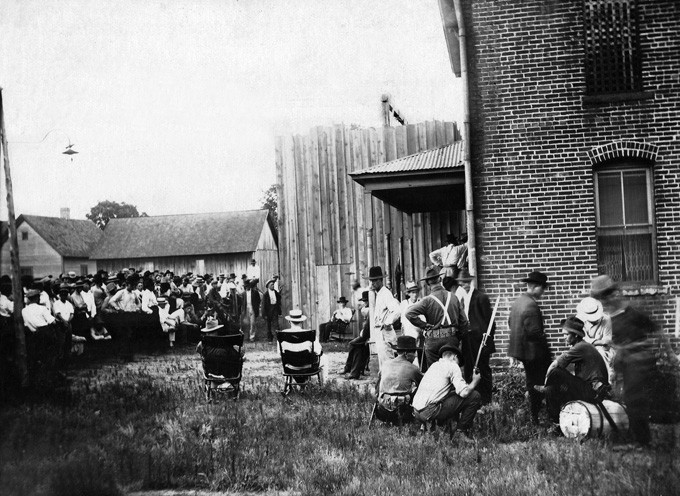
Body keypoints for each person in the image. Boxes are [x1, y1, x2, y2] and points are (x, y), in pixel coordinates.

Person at [590, 275, 657, 447]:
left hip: (638, 361)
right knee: (629, 398)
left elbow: (654, 330)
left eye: (607, 296)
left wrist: (667, 354)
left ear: (615, 294)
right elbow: (616, 342)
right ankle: (638, 438)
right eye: (602, 298)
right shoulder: (611, 317)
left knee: (635, 399)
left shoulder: (632, 313)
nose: (605, 301)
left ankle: (643, 442)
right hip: (626, 362)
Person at [540, 316, 610, 426]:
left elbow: (554, 365)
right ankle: (556, 424)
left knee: (556, 372)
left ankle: (544, 388)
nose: (564, 337)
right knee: (551, 389)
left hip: (593, 392)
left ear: (576, 335)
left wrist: (545, 382)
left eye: (566, 335)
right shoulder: (583, 346)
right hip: (589, 389)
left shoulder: (580, 347)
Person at [412, 342, 481, 443]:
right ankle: (460, 433)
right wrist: (475, 381)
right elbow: (464, 393)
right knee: (474, 396)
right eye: (458, 362)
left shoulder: (434, 365)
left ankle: (427, 428)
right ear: (454, 357)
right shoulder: (453, 366)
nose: (458, 365)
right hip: (429, 411)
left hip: (416, 412)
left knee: (452, 394)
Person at [405, 266, 469, 373]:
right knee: (452, 372)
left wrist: (424, 325)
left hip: (433, 342)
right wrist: (457, 337)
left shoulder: (427, 301)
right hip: (451, 340)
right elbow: (464, 322)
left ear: (427, 283)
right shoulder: (453, 297)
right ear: (440, 279)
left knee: (435, 374)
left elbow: (409, 313)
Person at [508, 271, 551, 424]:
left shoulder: (519, 302)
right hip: (533, 352)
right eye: (542, 288)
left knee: (531, 381)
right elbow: (534, 332)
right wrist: (545, 346)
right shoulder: (531, 305)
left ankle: (535, 414)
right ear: (534, 287)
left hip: (523, 351)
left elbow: (509, 323)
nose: (543, 292)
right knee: (539, 383)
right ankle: (536, 416)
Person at [456, 269, 496, 405]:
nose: (465, 285)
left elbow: (491, 322)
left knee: (483, 369)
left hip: (481, 341)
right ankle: (473, 400)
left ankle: (486, 401)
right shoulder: (462, 298)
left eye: (467, 282)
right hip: (468, 340)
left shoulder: (481, 297)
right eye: (462, 283)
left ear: (471, 282)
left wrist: (487, 342)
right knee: (469, 369)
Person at [375, 335, 423, 424]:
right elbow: (424, 385)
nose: (415, 355)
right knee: (419, 389)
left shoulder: (385, 364)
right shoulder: (413, 368)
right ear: (406, 353)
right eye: (414, 352)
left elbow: (377, 388)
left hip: (381, 412)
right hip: (403, 413)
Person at [196, 317, 244, 393]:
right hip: (229, 373)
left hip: (211, 371)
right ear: (217, 330)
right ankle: (233, 383)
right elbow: (240, 354)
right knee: (239, 360)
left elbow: (199, 352)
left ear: (207, 332)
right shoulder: (228, 342)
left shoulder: (203, 343)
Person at [367, 266, 401, 370]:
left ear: (381, 280)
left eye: (375, 280)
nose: (372, 283)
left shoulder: (385, 293)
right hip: (379, 333)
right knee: (383, 363)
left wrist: (387, 322)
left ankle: (390, 385)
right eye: (371, 281)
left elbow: (397, 310)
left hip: (385, 333)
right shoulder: (378, 294)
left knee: (388, 363)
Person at [279, 309, 325, 384]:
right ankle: (324, 384)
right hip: (307, 367)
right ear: (302, 322)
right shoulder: (309, 334)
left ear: (289, 321)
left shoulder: (282, 334)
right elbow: (318, 351)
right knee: (324, 358)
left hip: (290, 367)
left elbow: (280, 353)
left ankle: (301, 383)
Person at [576, 296, 614, 383]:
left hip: (603, 351)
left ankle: (605, 384)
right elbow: (582, 339)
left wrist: (592, 342)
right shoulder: (579, 320)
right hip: (585, 349)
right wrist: (599, 342)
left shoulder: (606, 319)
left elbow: (607, 342)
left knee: (602, 355)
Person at [339, 291, 371, 380]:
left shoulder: (370, 309)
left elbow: (367, 330)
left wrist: (364, 336)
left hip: (370, 336)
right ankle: (353, 371)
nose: (365, 303)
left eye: (366, 301)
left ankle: (350, 369)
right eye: (364, 301)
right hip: (367, 334)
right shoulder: (367, 309)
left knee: (353, 344)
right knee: (357, 347)